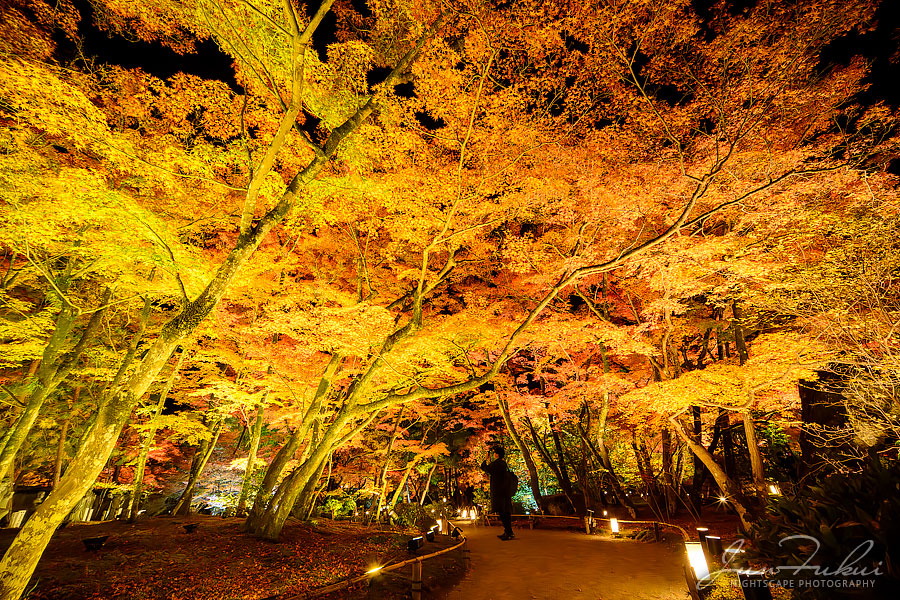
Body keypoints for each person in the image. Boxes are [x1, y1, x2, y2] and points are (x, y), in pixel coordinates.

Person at [480, 446, 514, 540]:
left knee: (502, 512)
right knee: (505, 512)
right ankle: (508, 531)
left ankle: (508, 532)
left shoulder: (497, 463)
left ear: (497, 454)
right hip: (504, 491)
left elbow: (486, 468)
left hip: (498, 492)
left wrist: (485, 460)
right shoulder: (503, 463)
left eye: (495, 453)